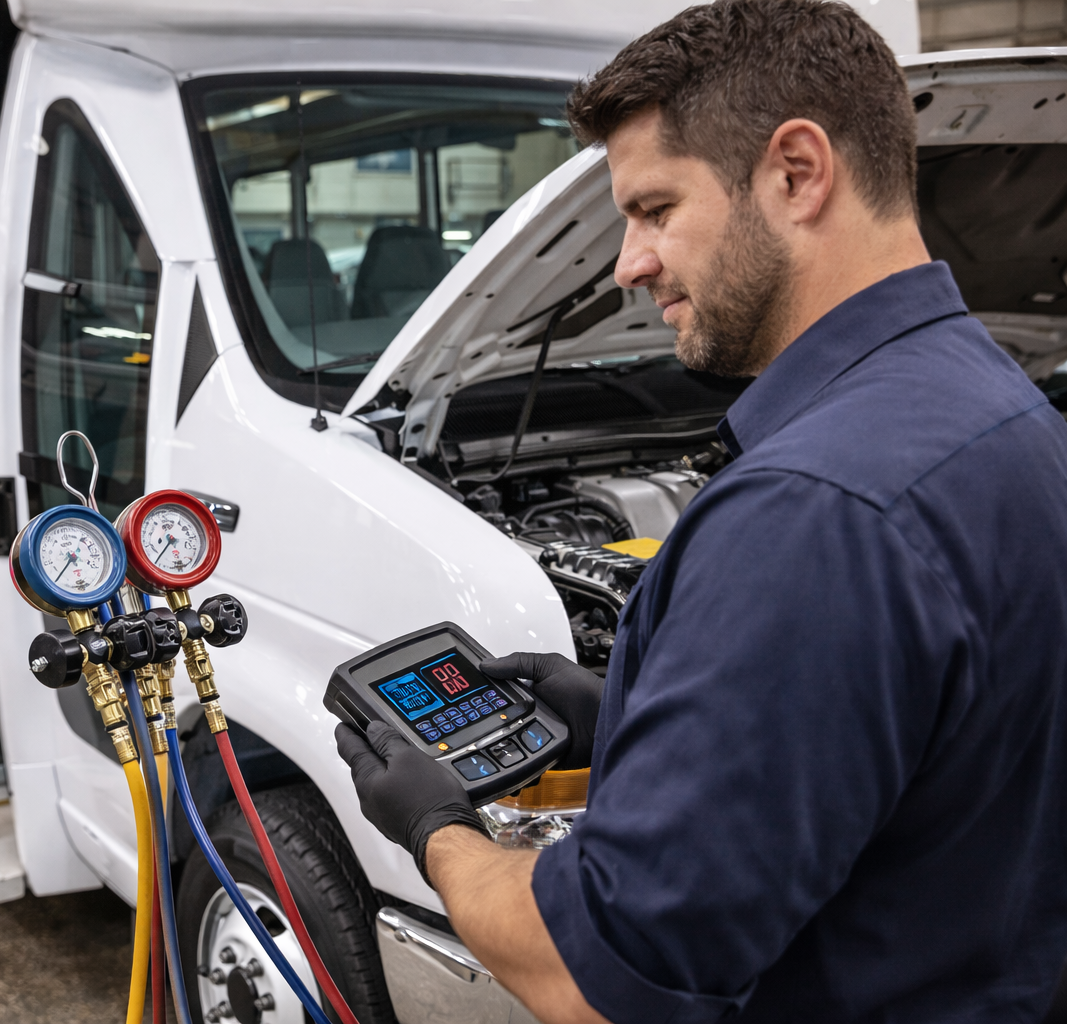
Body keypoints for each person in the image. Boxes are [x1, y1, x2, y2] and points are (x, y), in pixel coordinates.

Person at [334, 2, 1067, 1021]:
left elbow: (595, 973)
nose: (630, 263)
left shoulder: (810, 512)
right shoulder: (1004, 408)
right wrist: (628, 705)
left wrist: (436, 829)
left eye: (654, 209)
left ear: (797, 172)